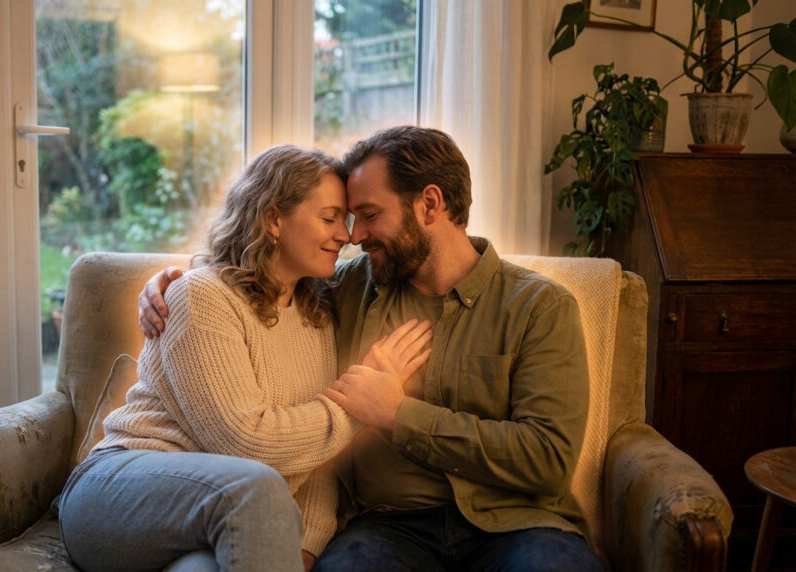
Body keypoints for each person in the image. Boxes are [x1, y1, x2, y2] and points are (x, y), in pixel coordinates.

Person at [139, 126, 604, 571]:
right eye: (347, 218)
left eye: (369, 214)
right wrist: (172, 283)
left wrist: (397, 415)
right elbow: (260, 278)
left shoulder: (540, 307)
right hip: (386, 525)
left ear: (430, 204)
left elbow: (548, 460)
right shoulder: (343, 289)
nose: (354, 235)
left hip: (519, 524)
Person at [59, 144, 432, 572]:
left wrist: (306, 546)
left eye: (345, 221)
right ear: (273, 218)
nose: (346, 235)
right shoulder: (202, 296)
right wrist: (360, 407)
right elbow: (244, 444)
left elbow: (316, 459)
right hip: (121, 491)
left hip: (223, 519)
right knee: (254, 486)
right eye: (329, 218)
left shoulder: (319, 314)